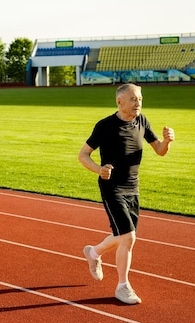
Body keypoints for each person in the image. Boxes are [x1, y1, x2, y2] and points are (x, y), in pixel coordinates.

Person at [78, 83, 175, 304]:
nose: (138, 102)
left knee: (124, 237)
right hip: (112, 187)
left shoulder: (142, 121)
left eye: (140, 98)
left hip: (133, 187)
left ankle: (93, 253)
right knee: (128, 237)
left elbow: (159, 150)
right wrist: (99, 169)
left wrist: (167, 142)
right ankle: (123, 286)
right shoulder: (105, 126)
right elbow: (83, 155)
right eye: (133, 99)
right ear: (119, 102)